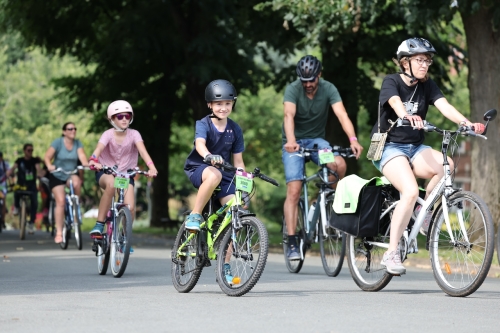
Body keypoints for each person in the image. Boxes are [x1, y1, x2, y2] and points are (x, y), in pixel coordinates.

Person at [371, 37, 485, 275]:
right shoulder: (391, 81)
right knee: (410, 191)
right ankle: (391, 253)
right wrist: (406, 115)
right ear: (405, 62)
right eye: (419, 60)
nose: (425, 64)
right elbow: (394, 102)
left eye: (427, 60)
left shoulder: (427, 85)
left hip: (414, 148)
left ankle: (422, 213)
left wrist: (467, 123)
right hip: (390, 147)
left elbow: (444, 105)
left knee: (448, 167)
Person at [282, 55, 363, 260]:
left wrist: (353, 140)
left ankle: (329, 204)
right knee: (294, 190)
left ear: (319, 75)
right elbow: (288, 116)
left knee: (339, 164)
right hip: (295, 143)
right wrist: (291, 141)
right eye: (304, 81)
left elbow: (342, 115)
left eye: (312, 80)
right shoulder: (293, 89)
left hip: (318, 141)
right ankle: (292, 240)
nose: (308, 84)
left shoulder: (328, 88)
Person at [183, 79, 245, 283]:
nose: (223, 107)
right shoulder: (203, 124)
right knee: (214, 174)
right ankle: (194, 215)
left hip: (225, 173)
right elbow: (199, 144)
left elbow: (238, 161)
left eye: (228, 103)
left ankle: (225, 265)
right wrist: (208, 156)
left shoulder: (235, 130)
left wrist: (245, 179)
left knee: (237, 206)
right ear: (210, 104)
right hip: (200, 168)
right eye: (219, 104)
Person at [88, 100, 157, 248]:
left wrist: (151, 167)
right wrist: (94, 160)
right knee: (111, 185)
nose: (124, 119)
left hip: (126, 176)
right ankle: (99, 225)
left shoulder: (134, 134)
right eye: (119, 116)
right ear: (112, 119)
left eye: (127, 116)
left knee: (130, 207)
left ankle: (125, 237)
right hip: (106, 172)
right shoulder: (107, 134)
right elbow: (98, 150)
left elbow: (143, 152)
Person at [44, 122, 89, 243]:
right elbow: (47, 156)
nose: (73, 130)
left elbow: (82, 156)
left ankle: (76, 206)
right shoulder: (57, 142)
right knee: (61, 201)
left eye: (75, 128)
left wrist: (85, 164)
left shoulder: (78, 143)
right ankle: (59, 232)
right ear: (64, 131)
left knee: (77, 182)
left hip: (71, 173)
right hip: (57, 174)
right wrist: (49, 165)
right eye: (70, 129)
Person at [7, 144, 41, 234]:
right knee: (16, 191)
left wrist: (40, 174)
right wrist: (9, 173)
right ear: (24, 151)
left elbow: (39, 169)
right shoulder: (19, 160)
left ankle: (31, 223)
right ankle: (17, 207)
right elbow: (13, 168)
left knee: (34, 202)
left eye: (31, 150)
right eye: (28, 150)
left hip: (32, 185)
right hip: (21, 184)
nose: (30, 152)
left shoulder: (35, 160)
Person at [0, 152, 10, 229]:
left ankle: (2, 219)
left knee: (3, 201)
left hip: (2, 185)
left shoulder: (5, 164)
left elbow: (9, 172)